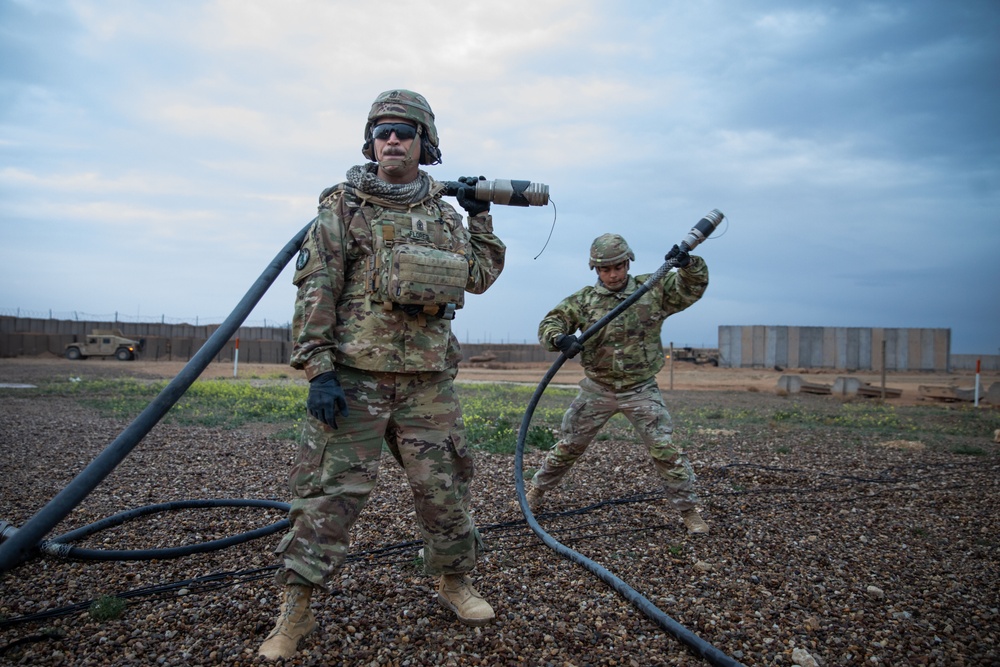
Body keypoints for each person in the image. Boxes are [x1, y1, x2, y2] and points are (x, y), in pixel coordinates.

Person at [258, 89, 506, 661]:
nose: (392, 139)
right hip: (354, 380)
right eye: (382, 131)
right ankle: (296, 610)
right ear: (370, 142)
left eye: (404, 131)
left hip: (427, 382)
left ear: (425, 144)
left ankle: (453, 581)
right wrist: (319, 368)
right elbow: (317, 287)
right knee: (327, 496)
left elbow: (479, 275)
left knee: (444, 492)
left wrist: (481, 215)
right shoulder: (344, 207)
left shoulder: (443, 215)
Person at [525, 233, 712, 535]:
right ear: (595, 270)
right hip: (598, 387)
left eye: (618, 267)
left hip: (640, 388)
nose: (613, 275)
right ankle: (536, 491)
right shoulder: (584, 300)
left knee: (664, 448)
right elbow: (552, 322)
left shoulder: (652, 289)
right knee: (570, 444)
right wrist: (560, 339)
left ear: (628, 263)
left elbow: (691, 287)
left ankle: (689, 511)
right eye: (605, 269)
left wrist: (688, 264)